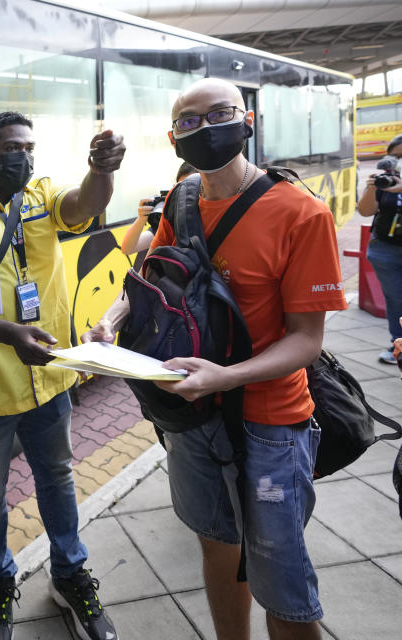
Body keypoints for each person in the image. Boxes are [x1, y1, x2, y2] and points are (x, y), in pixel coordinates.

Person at [86, 78, 347, 640]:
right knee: (217, 544)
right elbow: (145, 283)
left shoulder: (301, 213)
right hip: (192, 418)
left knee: (280, 574)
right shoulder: (180, 202)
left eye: (218, 114)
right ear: (174, 137)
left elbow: (307, 340)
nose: (204, 129)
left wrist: (225, 376)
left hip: (271, 422)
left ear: (247, 119)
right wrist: (109, 322)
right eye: (188, 121)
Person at [0, 111, 125, 640]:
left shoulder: (42, 197)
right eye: (11, 148)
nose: (23, 157)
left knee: (57, 478)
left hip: (50, 383)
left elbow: (86, 204)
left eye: (29, 148)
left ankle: (69, 575)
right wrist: (11, 333)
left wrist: (101, 170)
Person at [357, 144, 402, 364]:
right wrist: (374, 188)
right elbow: (365, 211)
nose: (397, 160)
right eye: (394, 155)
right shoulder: (386, 179)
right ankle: (398, 345)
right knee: (395, 299)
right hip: (386, 249)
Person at [119, 161, 196, 254]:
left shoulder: (211, 217)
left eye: (192, 188)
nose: (185, 195)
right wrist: (141, 219)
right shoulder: (170, 222)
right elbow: (128, 249)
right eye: (181, 188)